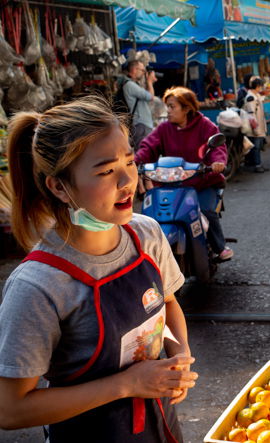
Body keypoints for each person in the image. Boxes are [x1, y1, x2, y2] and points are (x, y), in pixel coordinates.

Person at [0, 96, 197, 441]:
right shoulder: (39, 285)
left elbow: (167, 304)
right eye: (106, 171)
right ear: (59, 186)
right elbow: (11, 410)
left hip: (159, 424)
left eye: (130, 162)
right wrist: (127, 385)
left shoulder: (146, 234)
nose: (127, 181)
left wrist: (179, 353)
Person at [136, 87, 233, 261]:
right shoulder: (164, 128)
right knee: (154, 213)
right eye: (168, 107)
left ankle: (219, 246)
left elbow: (218, 148)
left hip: (202, 182)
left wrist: (218, 163)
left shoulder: (205, 126)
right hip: (172, 183)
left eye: (172, 107)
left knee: (204, 210)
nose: (169, 111)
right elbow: (148, 146)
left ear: (187, 108)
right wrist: (135, 161)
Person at [123, 60, 157, 149]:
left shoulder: (133, 85)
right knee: (143, 154)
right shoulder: (130, 85)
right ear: (134, 70)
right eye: (142, 70)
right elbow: (150, 97)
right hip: (141, 124)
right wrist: (149, 82)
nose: (144, 73)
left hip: (142, 124)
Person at [243, 78, 268, 173]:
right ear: (257, 86)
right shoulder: (251, 97)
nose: (261, 88)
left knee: (257, 146)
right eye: (261, 86)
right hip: (255, 127)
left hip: (259, 125)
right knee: (256, 147)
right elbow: (251, 114)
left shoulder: (256, 95)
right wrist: (256, 129)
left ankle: (257, 164)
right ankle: (257, 166)